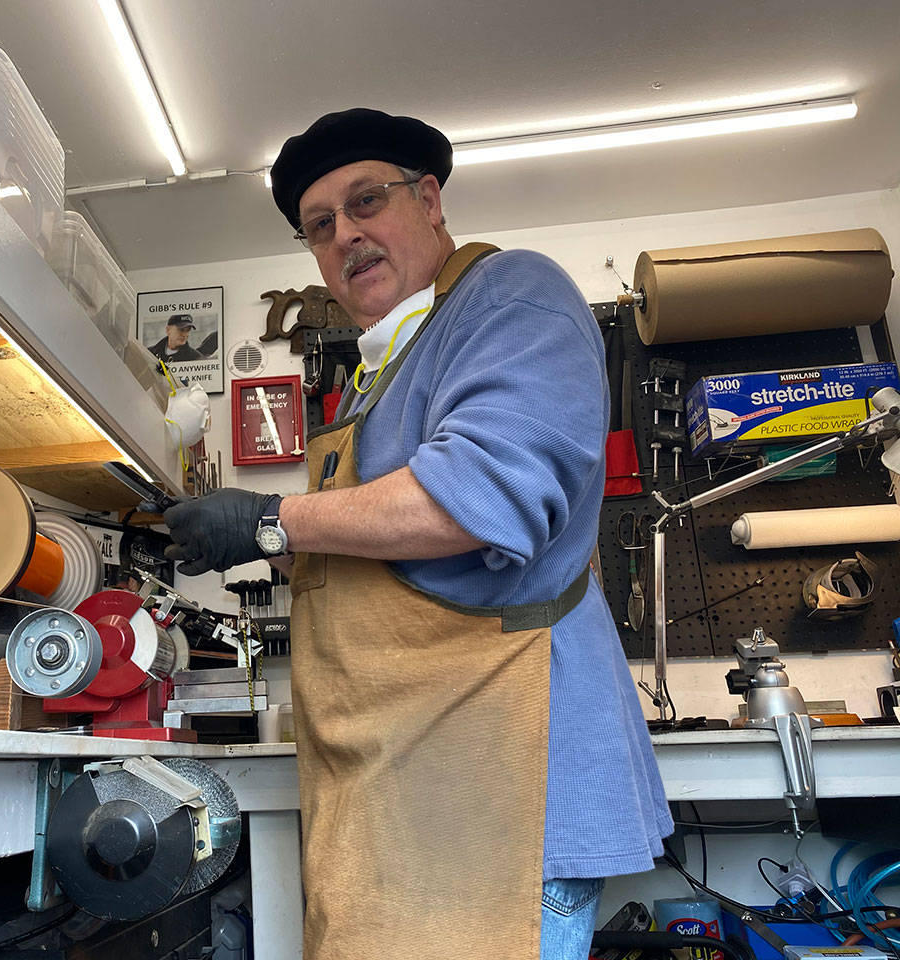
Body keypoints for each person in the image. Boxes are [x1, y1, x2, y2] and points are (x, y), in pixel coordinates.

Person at [161, 108, 672, 960]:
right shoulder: (381, 367)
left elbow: (479, 499)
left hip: (499, 789)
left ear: (430, 199)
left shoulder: (512, 296)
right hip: (403, 787)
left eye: (366, 201)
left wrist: (268, 521)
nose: (346, 235)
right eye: (320, 226)